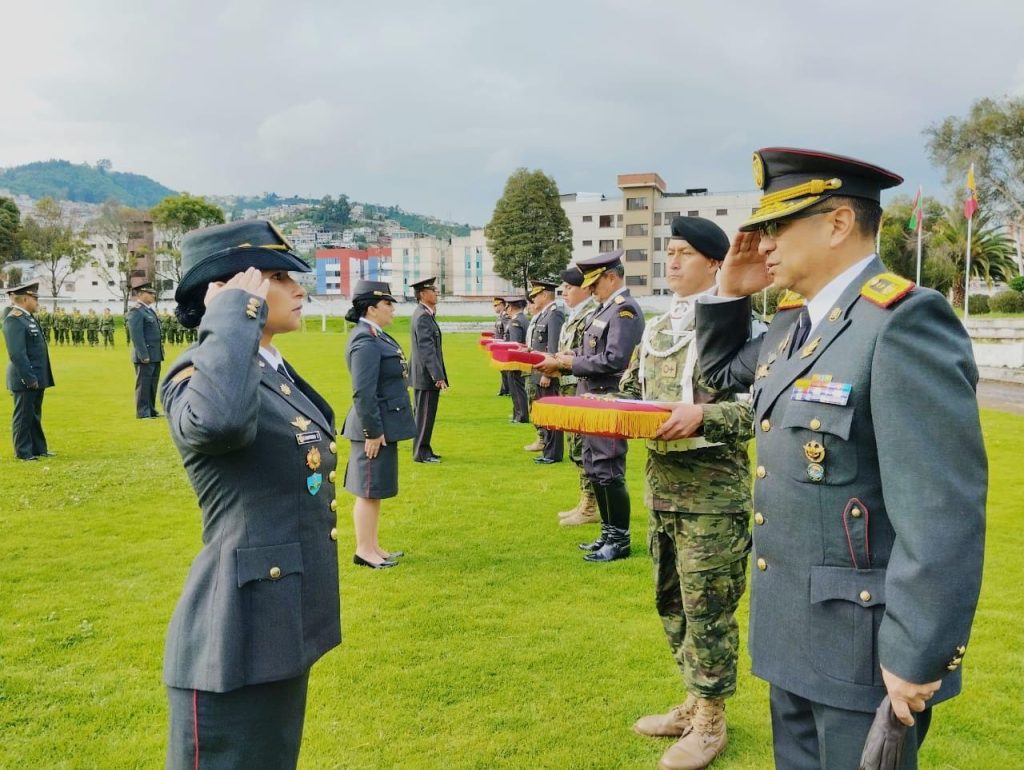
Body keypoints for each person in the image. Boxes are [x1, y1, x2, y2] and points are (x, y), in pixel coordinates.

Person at [693, 147, 987, 769]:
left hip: (865, 652)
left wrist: (917, 654)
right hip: (793, 632)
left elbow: (942, 512)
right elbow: (719, 373)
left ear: (836, 224)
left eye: (778, 225)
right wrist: (727, 294)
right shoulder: (795, 325)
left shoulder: (902, 324)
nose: (763, 244)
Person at [159, 219, 341, 769]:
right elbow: (217, 427)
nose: (299, 288)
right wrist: (229, 319)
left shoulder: (265, 369)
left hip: (277, 622)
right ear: (240, 289)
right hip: (233, 638)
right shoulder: (199, 376)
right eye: (281, 277)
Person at [619, 217, 753, 770]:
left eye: (683, 253)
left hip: (714, 497)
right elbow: (631, 389)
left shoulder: (743, 328)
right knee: (670, 601)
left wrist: (702, 415)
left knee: (708, 610)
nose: (671, 262)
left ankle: (712, 721)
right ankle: (694, 701)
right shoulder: (657, 327)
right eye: (668, 252)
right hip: (663, 489)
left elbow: (757, 409)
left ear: (715, 264)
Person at [547, 249, 645, 562]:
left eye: (595, 283)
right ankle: (607, 533)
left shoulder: (624, 310)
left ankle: (620, 539)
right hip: (591, 398)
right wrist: (568, 359)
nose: (590, 289)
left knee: (609, 470)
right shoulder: (603, 310)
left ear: (612, 277)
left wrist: (573, 362)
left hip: (608, 398)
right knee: (594, 467)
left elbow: (616, 358)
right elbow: (590, 348)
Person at [342, 280, 417, 569]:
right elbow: (363, 391)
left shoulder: (377, 336)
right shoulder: (365, 339)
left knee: (376, 489)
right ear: (371, 309)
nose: (392, 309)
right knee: (368, 489)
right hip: (373, 428)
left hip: (383, 425)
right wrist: (372, 431)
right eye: (388, 304)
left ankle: (373, 546)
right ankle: (364, 551)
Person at [551, 266, 598, 526]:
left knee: (583, 449)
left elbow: (582, 357)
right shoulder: (574, 315)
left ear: (585, 288)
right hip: (570, 387)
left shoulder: (590, 314)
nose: (564, 292)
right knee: (575, 447)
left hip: (582, 387)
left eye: (569, 287)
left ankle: (590, 506)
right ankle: (585, 500)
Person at [3, 282, 55, 461]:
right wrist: (29, 378)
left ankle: (38, 448)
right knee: (23, 416)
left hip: (37, 375)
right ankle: (23, 452)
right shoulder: (14, 319)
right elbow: (17, 353)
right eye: (35, 298)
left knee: (34, 415)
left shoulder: (28, 318)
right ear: (25, 299)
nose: (37, 302)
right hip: (25, 377)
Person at [409, 277, 448, 463]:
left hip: (423, 374)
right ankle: (421, 453)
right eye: (432, 290)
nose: (436, 293)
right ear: (423, 295)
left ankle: (424, 448)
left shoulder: (424, 314)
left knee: (424, 414)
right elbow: (427, 350)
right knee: (424, 415)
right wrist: (437, 376)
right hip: (425, 375)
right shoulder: (423, 316)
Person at [527, 279, 566, 464]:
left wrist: (547, 374)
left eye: (535, 295)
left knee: (553, 413)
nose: (533, 299)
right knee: (546, 413)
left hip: (547, 373)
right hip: (539, 371)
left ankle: (553, 454)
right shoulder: (543, 315)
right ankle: (548, 452)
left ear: (544, 295)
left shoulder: (554, 315)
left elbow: (553, 345)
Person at [126, 282, 165, 419]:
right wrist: (143, 354)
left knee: (152, 383)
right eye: (150, 293)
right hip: (146, 354)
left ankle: (151, 410)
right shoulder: (136, 311)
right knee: (143, 384)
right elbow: (137, 336)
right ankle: (143, 412)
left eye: (153, 293)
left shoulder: (149, 310)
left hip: (155, 353)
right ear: (141, 294)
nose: (153, 296)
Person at [503, 296, 530, 423]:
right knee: (518, 387)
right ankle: (517, 413)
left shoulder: (515, 322)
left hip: (516, 360)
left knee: (516, 388)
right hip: (522, 359)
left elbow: (515, 344)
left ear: (511, 307)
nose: (506, 309)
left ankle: (521, 415)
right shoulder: (523, 319)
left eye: (507, 306)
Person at [493, 297, 510, 396]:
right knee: (502, 370)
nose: (495, 308)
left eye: (497, 305)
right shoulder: (499, 317)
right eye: (494, 306)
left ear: (503, 305)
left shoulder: (505, 316)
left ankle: (508, 390)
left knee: (506, 370)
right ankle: (504, 389)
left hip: (504, 347)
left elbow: (507, 332)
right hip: (499, 346)